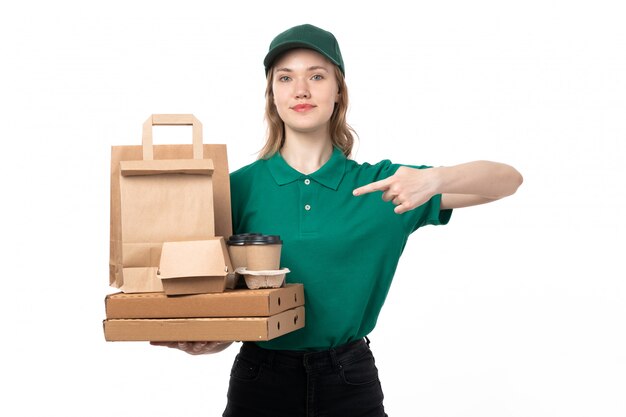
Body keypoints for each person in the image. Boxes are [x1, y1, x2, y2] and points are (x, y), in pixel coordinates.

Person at [153, 23, 523, 416]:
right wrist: (218, 336)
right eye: (286, 78)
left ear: (338, 91)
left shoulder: (387, 186)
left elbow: (506, 181)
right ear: (272, 94)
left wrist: (434, 179)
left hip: (349, 381)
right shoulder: (236, 188)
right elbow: (226, 290)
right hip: (260, 379)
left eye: (316, 75)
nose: (301, 90)